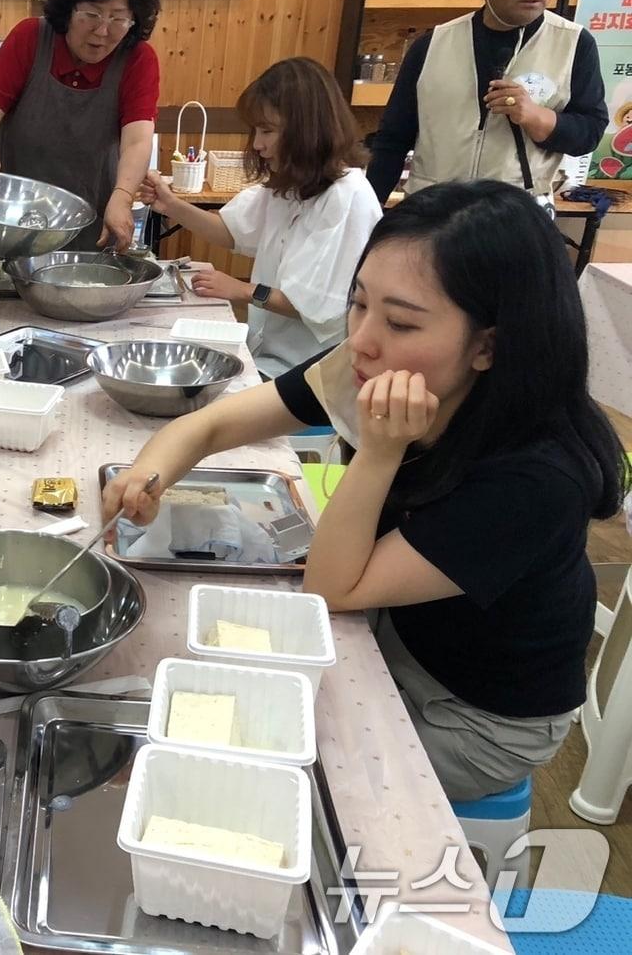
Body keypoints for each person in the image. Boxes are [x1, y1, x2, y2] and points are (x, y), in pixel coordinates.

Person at [105, 180, 630, 801]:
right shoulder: (378, 361)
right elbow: (213, 422)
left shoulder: (538, 475)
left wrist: (380, 453)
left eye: (401, 321)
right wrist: (150, 474)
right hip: (396, 631)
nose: (363, 339)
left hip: (475, 718)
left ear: (489, 345)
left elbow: (334, 589)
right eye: (359, 304)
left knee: (251, 765)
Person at [143, 58, 382, 378]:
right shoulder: (292, 185)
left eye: (267, 131)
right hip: (270, 357)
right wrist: (171, 205)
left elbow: (318, 308)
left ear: (306, 129)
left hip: (311, 373)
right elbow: (230, 230)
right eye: (256, 130)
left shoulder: (348, 196)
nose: (258, 144)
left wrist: (241, 290)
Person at [366, 0, 606, 206]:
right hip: (432, 216)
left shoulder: (574, 44)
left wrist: (536, 117)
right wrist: (368, 220)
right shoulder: (432, 45)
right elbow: (392, 141)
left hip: (516, 217)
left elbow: (590, 131)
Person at [0, 0, 162, 250]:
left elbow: (137, 140)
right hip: (14, 226)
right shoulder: (30, 38)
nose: (102, 31)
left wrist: (122, 198)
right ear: (68, 8)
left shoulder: (137, 59)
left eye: (118, 18)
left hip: (93, 228)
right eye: (92, 14)